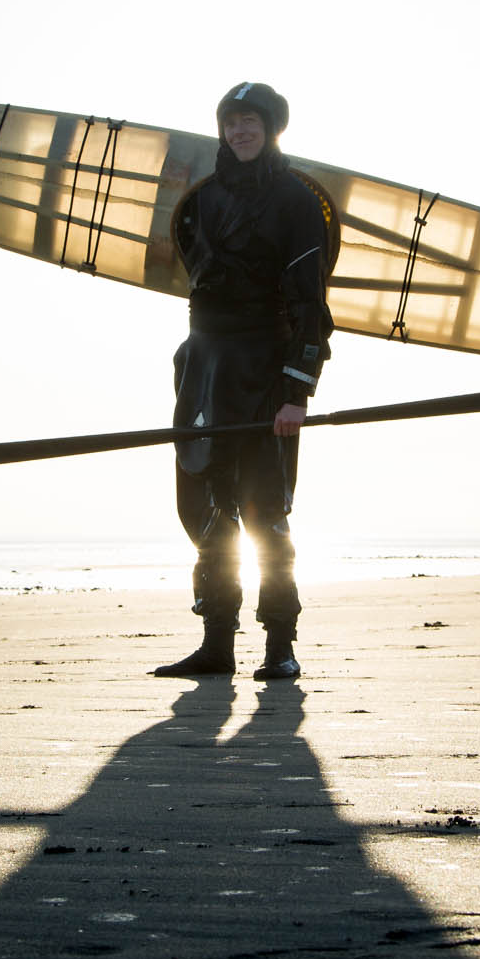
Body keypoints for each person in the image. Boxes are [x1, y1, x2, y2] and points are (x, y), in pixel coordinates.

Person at [153, 82, 333, 682]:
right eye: (232, 123)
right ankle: (216, 645)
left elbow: (311, 307)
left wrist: (295, 393)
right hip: (203, 367)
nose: (240, 132)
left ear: (271, 128)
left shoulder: (296, 200)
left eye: (251, 122)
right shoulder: (201, 200)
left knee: (264, 513)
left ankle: (280, 645)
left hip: (265, 369)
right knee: (202, 509)